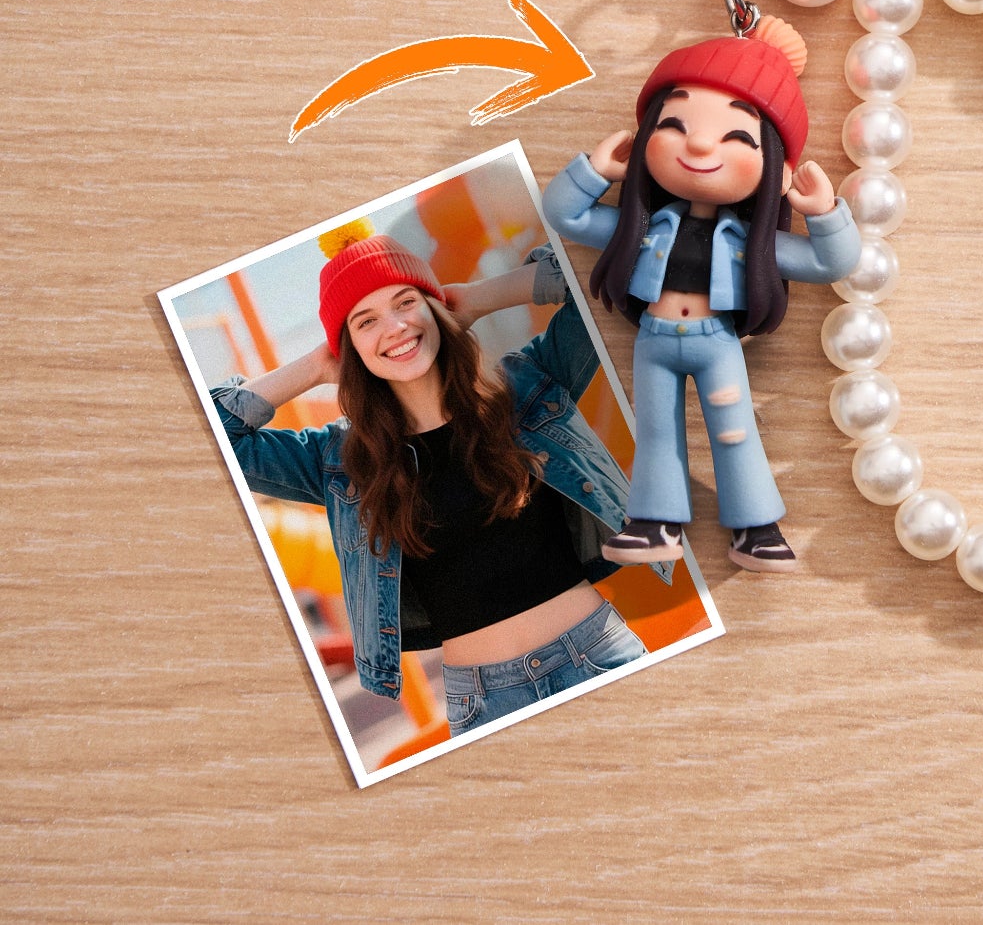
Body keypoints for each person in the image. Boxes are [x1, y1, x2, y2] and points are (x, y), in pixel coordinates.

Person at [212, 223, 668, 737]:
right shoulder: (339, 460)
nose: (394, 327)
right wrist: (315, 366)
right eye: (365, 321)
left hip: (601, 656)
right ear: (347, 349)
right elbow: (213, 436)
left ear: (435, 307)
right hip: (486, 705)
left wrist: (478, 300)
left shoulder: (527, 387)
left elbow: (622, 272)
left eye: (406, 302)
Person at [543, 17, 861, 574]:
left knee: (734, 432)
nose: (698, 143)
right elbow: (564, 214)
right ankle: (654, 524)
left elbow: (832, 262)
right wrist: (595, 171)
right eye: (675, 123)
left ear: (777, 169)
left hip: (718, 344)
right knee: (658, 432)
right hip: (655, 340)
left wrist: (825, 214)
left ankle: (756, 528)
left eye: (737, 136)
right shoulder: (641, 227)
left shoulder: (756, 244)